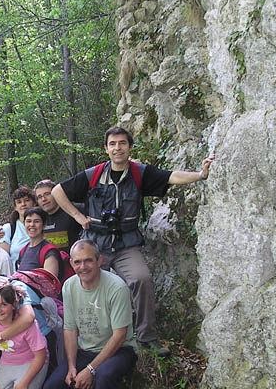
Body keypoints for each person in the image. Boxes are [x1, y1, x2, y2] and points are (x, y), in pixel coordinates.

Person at [51, 125, 214, 356]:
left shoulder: (140, 173)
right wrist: (78, 216)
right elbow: (58, 191)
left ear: (129, 147)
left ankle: (147, 337)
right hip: (95, 242)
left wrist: (200, 175)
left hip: (126, 243)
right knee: (85, 283)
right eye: (113, 144)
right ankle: (85, 337)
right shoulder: (94, 174)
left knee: (142, 279)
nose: (118, 148)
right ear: (106, 149)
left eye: (122, 143)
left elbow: (171, 177)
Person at [28, 240, 136, 389]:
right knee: (54, 385)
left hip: (118, 350)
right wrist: (70, 366)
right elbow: (70, 329)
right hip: (84, 350)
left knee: (105, 376)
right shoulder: (69, 286)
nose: (83, 266)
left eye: (88, 260)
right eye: (77, 262)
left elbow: (119, 336)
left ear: (99, 261)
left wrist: (92, 369)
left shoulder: (116, 288)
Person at [0, 252, 60, 372]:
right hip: (18, 346)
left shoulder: (12, 287)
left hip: (43, 343)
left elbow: (29, 317)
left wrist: (0, 336)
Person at [34, 179, 82, 252]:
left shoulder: (74, 210)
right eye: (40, 197)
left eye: (47, 194)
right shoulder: (38, 218)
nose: (43, 199)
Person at [16, 206, 61, 278]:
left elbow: (50, 283)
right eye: (28, 221)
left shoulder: (49, 252)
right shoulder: (23, 250)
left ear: (44, 225)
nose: (32, 225)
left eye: (36, 221)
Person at [0, 186, 37, 263]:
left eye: (27, 200)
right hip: (15, 273)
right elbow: (2, 259)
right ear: (15, 207)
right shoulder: (8, 229)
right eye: (19, 202)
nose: (23, 204)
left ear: (34, 203)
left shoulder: (42, 225)